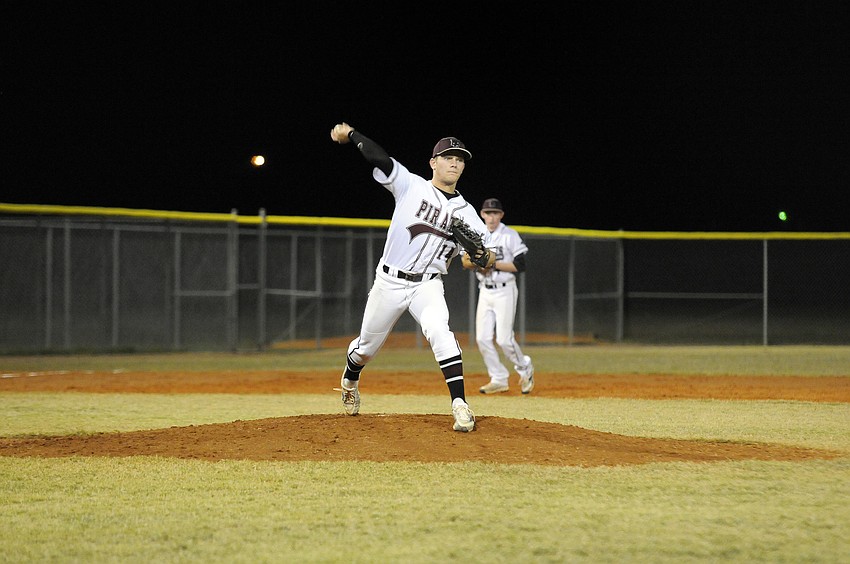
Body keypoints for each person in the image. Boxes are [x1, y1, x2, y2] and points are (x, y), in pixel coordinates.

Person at [329, 122, 495, 432]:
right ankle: (350, 379)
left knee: (440, 332)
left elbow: (481, 259)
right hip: (389, 282)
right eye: (448, 157)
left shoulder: (468, 213)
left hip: (428, 285)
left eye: (460, 159)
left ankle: (460, 405)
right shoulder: (411, 185)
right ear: (434, 162)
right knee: (366, 349)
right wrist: (352, 135)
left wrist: (482, 257)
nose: (455, 163)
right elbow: (381, 159)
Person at [461, 198, 535, 394]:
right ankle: (499, 378)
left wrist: (492, 264)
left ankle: (524, 367)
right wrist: (477, 263)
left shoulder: (509, 235)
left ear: (501, 215)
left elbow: (520, 265)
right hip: (485, 290)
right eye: (487, 213)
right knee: (483, 339)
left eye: (495, 213)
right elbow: (465, 262)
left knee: (504, 339)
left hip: (505, 290)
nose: (491, 217)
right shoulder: (476, 234)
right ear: (482, 214)